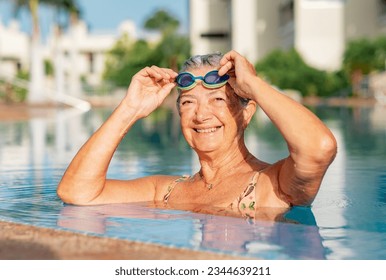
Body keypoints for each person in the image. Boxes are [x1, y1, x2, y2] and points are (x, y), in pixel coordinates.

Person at [57, 50, 337, 218]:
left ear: (247, 112)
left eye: (218, 100)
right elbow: (76, 192)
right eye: (188, 103)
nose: (201, 115)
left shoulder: (273, 184)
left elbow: (319, 148)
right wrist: (129, 110)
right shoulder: (165, 191)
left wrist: (252, 84)